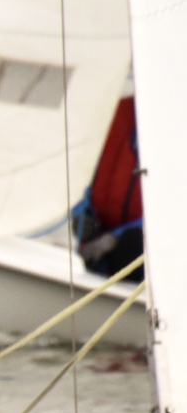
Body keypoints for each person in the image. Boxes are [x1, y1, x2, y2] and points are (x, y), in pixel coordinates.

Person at [76, 96, 144, 280]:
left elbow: (174, 215)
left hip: (143, 251)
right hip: (98, 239)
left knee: (133, 242)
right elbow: (85, 174)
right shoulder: (119, 113)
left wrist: (114, 238)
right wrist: (80, 214)